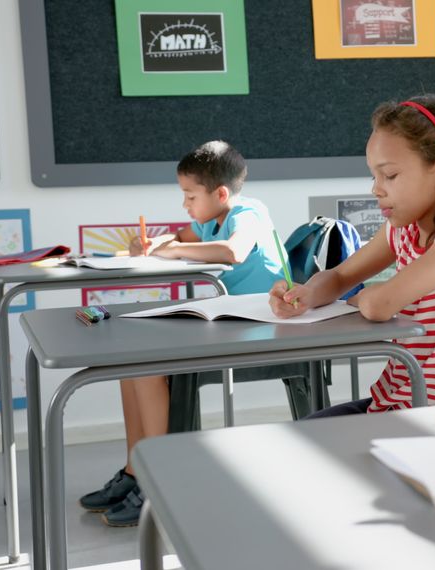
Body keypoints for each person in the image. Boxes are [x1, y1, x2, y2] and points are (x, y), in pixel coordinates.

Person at [270, 94, 435, 414]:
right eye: (374, 176)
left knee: (310, 442)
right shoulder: (403, 229)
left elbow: (380, 305)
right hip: (394, 402)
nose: (376, 189)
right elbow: (340, 276)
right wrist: (306, 294)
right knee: (305, 435)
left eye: (389, 175)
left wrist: (363, 296)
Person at [80, 140, 284, 526]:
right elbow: (182, 238)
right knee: (131, 360)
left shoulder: (248, 212)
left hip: (264, 321)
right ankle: (135, 470)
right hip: (230, 317)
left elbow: (233, 252)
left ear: (220, 193)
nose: (185, 205)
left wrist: (171, 252)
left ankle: (161, 478)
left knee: (150, 362)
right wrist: (153, 243)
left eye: (190, 196)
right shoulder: (210, 217)